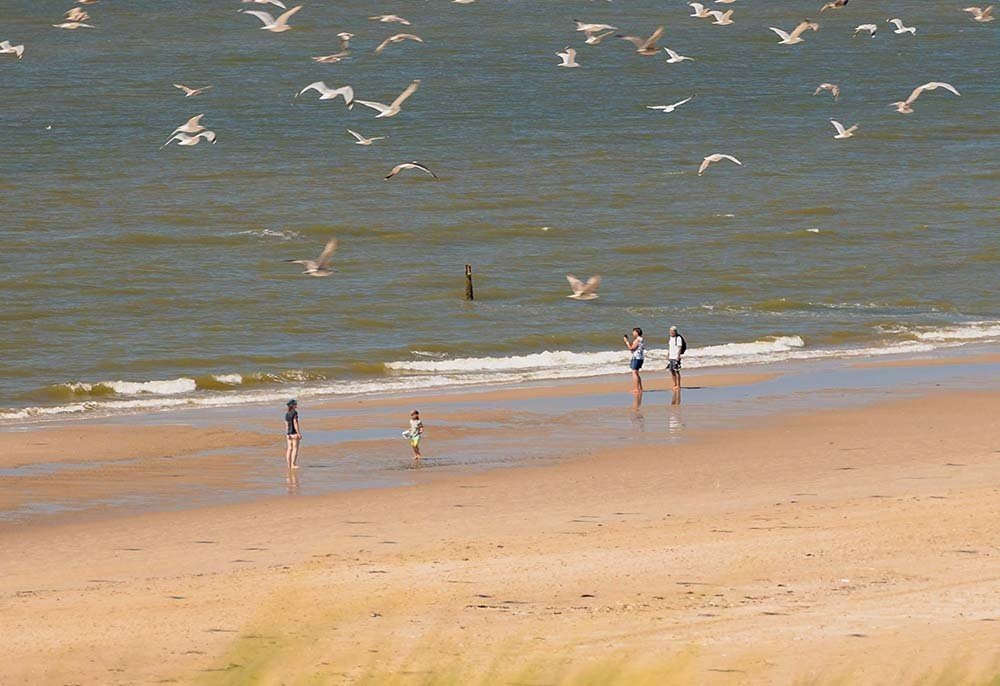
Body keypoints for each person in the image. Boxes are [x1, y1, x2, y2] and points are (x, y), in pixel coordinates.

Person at [624, 327, 645, 394]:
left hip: (637, 357)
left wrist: (627, 342)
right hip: (640, 357)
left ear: (637, 332)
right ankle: (640, 388)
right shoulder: (640, 339)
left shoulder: (638, 340)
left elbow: (631, 348)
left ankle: (637, 389)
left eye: (634, 332)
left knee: (634, 373)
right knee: (636, 373)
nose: (633, 333)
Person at [667, 326, 686, 391]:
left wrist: (678, 356)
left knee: (676, 371)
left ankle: (678, 385)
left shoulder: (678, 338)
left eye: (672, 331)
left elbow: (680, 348)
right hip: (671, 357)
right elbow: (670, 347)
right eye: (670, 331)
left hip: (675, 357)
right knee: (671, 370)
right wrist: (668, 354)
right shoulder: (670, 338)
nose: (671, 332)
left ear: (675, 331)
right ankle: (674, 384)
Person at [284, 399, 301, 469]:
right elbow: (295, 423)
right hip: (294, 433)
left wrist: (287, 433)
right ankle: (293, 464)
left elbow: (286, 424)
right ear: (292, 405)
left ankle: (289, 465)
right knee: (295, 449)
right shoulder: (294, 413)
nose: (296, 405)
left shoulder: (286, 414)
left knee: (289, 449)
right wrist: (298, 433)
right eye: (295, 404)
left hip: (288, 434)